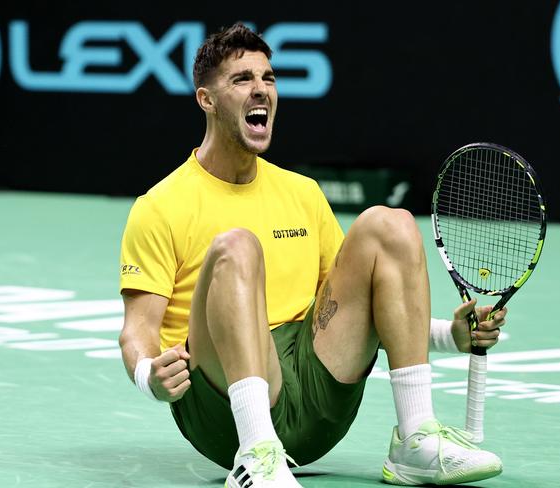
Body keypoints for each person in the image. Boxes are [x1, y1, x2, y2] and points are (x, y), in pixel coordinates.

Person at [118, 22, 507, 487]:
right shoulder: (161, 206)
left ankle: (415, 438)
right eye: (242, 80)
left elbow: (352, 311)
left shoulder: (301, 193)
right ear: (207, 99)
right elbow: (137, 331)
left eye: (268, 78)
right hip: (220, 406)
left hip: (315, 398)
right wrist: (149, 377)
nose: (261, 90)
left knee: (391, 223)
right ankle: (256, 454)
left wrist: (449, 336)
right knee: (236, 245)